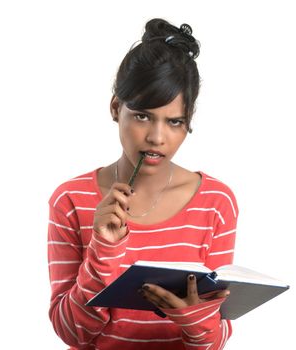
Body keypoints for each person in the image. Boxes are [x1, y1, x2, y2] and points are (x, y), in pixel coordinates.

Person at [47, 18, 238, 349]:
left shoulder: (216, 202)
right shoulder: (71, 200)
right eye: (142, 116)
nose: (157, 137)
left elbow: (215, 340)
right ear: (116, 108)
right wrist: (103, 250)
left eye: (175, 121)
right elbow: (71, 332)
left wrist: (195, 319)